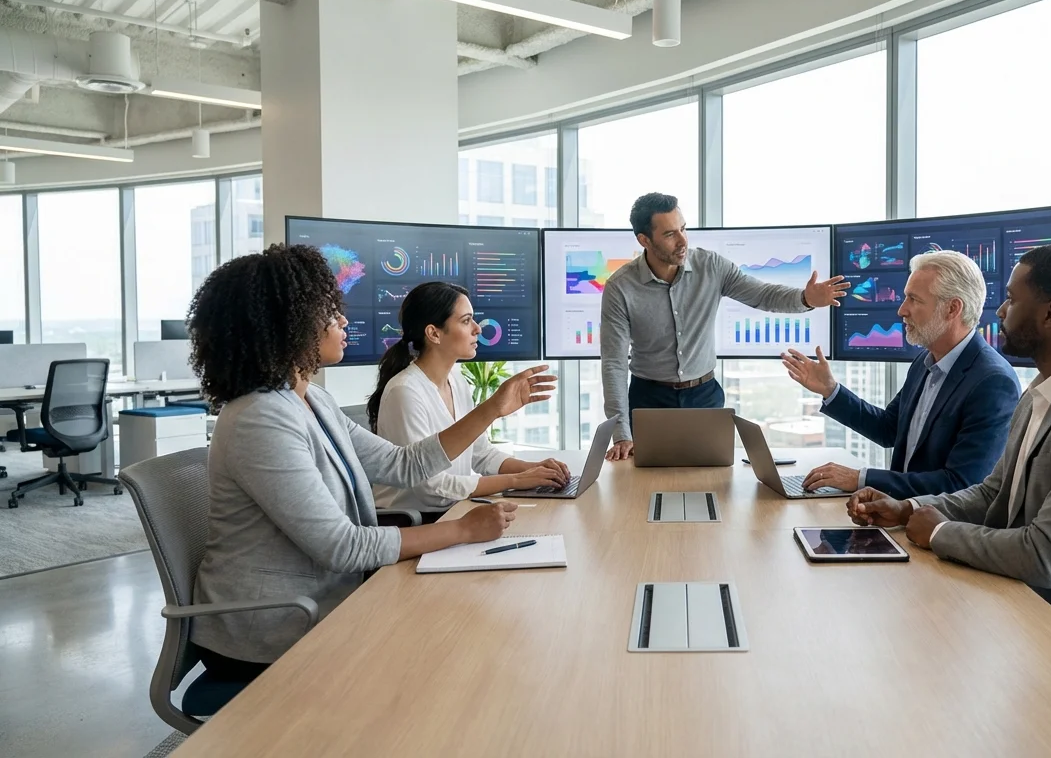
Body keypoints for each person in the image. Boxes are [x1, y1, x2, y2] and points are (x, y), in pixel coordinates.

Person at [186, 245, 553, 681]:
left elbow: (403, 465)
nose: (342, 320)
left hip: (332, 597)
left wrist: (492, 409)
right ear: (288, 325)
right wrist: (461, 530)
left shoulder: (313, 400)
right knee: (451, 657)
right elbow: (341, 546)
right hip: (272, 628)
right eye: (328, 312)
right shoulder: (259, 419)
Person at [845, 242, 1051, 701]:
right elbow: (994, 492)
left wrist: (937, 533)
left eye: (1014, 300)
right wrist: (909, 508)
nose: (999, 310)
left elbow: (1046, 557)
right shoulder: (1044, 389)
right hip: (1022, 603)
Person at [601, 192, 849, 460]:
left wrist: (804, 298)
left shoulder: (712, 266)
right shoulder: (620, 288)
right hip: (648, 399)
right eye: (670, 234)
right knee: (644, 484)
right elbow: (613, 362)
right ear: (644, 240)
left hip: (704, 396)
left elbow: (762, 294)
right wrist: (622, 434)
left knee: (712, 479)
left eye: (683, 228)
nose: (683, 240)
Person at [781, 250, 1019, 497]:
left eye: (914, 300)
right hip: (900, 516)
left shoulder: (992, 382)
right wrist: (830, 390)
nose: (902, 310)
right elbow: (888, 429)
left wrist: (860, 478)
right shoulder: (925, 362)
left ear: (952, 308)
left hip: (939, 529)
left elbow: (961, 485)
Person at [368, 282, 571, 510]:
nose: (478, 328)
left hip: (453, 511)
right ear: (434, 333)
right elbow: (430, 489)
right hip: (416, 523)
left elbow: (481, 454)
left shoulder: (457, 381)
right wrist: (515, 481)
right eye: (466, 321)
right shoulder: (404, 391)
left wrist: (532, 469)